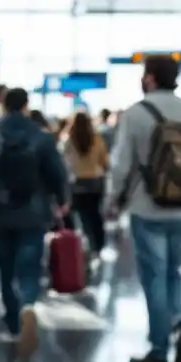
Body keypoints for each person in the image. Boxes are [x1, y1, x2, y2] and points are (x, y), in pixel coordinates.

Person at [105, 54, 181, 362]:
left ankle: (158, 349)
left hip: (145, 206)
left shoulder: (136, 114)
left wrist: (113, 199)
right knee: (176, 271)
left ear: (150, 78)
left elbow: (121, 164)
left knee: (155, 277)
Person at [0, 88, 69, 356]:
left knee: (4, 267)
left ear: (3, 106)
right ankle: (28, 304)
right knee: (29, 265)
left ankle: (14, 323)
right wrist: (62, 200)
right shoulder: (41, 137)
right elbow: (58, 173)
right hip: (34, 212)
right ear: (26, 106)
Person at [60, 111, 110, 259]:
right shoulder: (97, 139)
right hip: (95, 182)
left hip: (76, 183)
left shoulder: (68, 140)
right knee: (95, 215)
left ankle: (76, 247)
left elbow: (63, 164)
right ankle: (98, 246)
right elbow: (105, 163)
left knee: (76, 216)